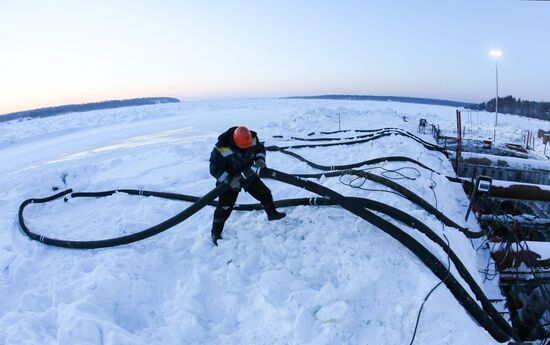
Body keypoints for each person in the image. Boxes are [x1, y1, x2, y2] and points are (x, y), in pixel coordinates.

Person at [209, 126, 286, 245]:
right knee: (224, 207)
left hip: (247, 173)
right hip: (229, 180)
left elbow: (260, 149)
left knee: (265, 193)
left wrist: (260, 159)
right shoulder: (221, 148)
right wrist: (229, 180)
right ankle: (216, 233)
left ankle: (272, 214)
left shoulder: (252, 139)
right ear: (235, 141)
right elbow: (214, 169)